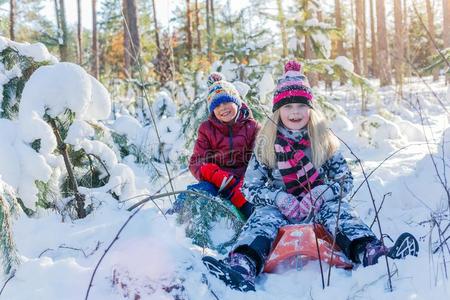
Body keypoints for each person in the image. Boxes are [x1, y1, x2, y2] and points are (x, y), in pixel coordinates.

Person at [202, 60, 419, 292]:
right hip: (279, 208)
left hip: (318, 204)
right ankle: (243, 264)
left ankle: (370, 252)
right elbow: (250, 187)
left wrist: (321, 193)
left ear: (310, 109)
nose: (294, 112)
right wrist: (278, 198)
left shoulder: (323, 140)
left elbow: (344, 179)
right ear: (278, 111)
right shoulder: (266, 143)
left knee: (341, 214)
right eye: (287, 107)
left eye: (300, 106)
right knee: (261, 221)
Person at [168, 72, 260, 220]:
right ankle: (171, 220)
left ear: (236, 101)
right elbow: (197, 162)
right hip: (218, 183)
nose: (222, 108)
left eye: (226, 102)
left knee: (252, 203)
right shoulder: (207, 128)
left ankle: (252, 229)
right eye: (216, 105)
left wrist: (244, 183)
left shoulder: (252, 127)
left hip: (243, 185)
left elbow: (260, 162)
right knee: (199, 191)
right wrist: (214, 175)